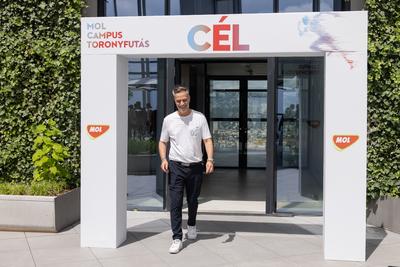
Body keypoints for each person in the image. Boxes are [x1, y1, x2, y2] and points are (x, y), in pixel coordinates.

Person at [159, 85, 214, 254]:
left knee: (192, 200)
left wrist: (210, 159)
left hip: (196, 166)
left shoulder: (199, 118)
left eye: (184, 99)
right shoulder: (169, 119)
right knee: (175, 203)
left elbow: (207, 140)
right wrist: (163, 159)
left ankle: (191, 224)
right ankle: (177, 237)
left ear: (189, 98)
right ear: (174, 101)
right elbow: (163, 142)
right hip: (176, 166)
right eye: (178, 101)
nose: (182, 103)